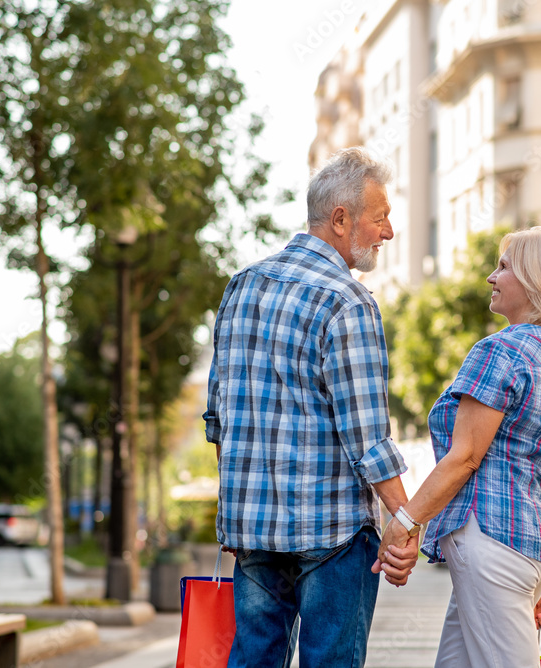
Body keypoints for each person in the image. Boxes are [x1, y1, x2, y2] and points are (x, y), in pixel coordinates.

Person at [203, 147, 419, 668]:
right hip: (334, 536)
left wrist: (241, 508)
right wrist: (407, 520)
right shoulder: (348, 301)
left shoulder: (241, 287)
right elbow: (368, 438)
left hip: (254, 536)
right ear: (341, 219)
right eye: (381, 216)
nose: (388, 232)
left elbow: (218, 418)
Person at [376, 226, 541, 667]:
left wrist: (404, 520)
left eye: (504, 267)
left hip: (490, 544)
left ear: (537, 282)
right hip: (530, 551)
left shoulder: (499, 352)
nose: (492, 278)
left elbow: (466, 457)